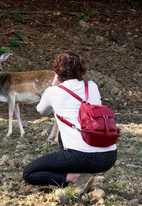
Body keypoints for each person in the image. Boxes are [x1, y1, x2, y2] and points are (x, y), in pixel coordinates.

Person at [23, 50, 117, 192]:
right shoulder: (91, 86)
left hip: (81, 157)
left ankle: (73, 177)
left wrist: (53, 84)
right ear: (82, 70)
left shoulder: (53, 92)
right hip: (109, 157)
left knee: (29, 173)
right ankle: (78, 175)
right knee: (64, 132)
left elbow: (41, 110)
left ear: (57, 72)